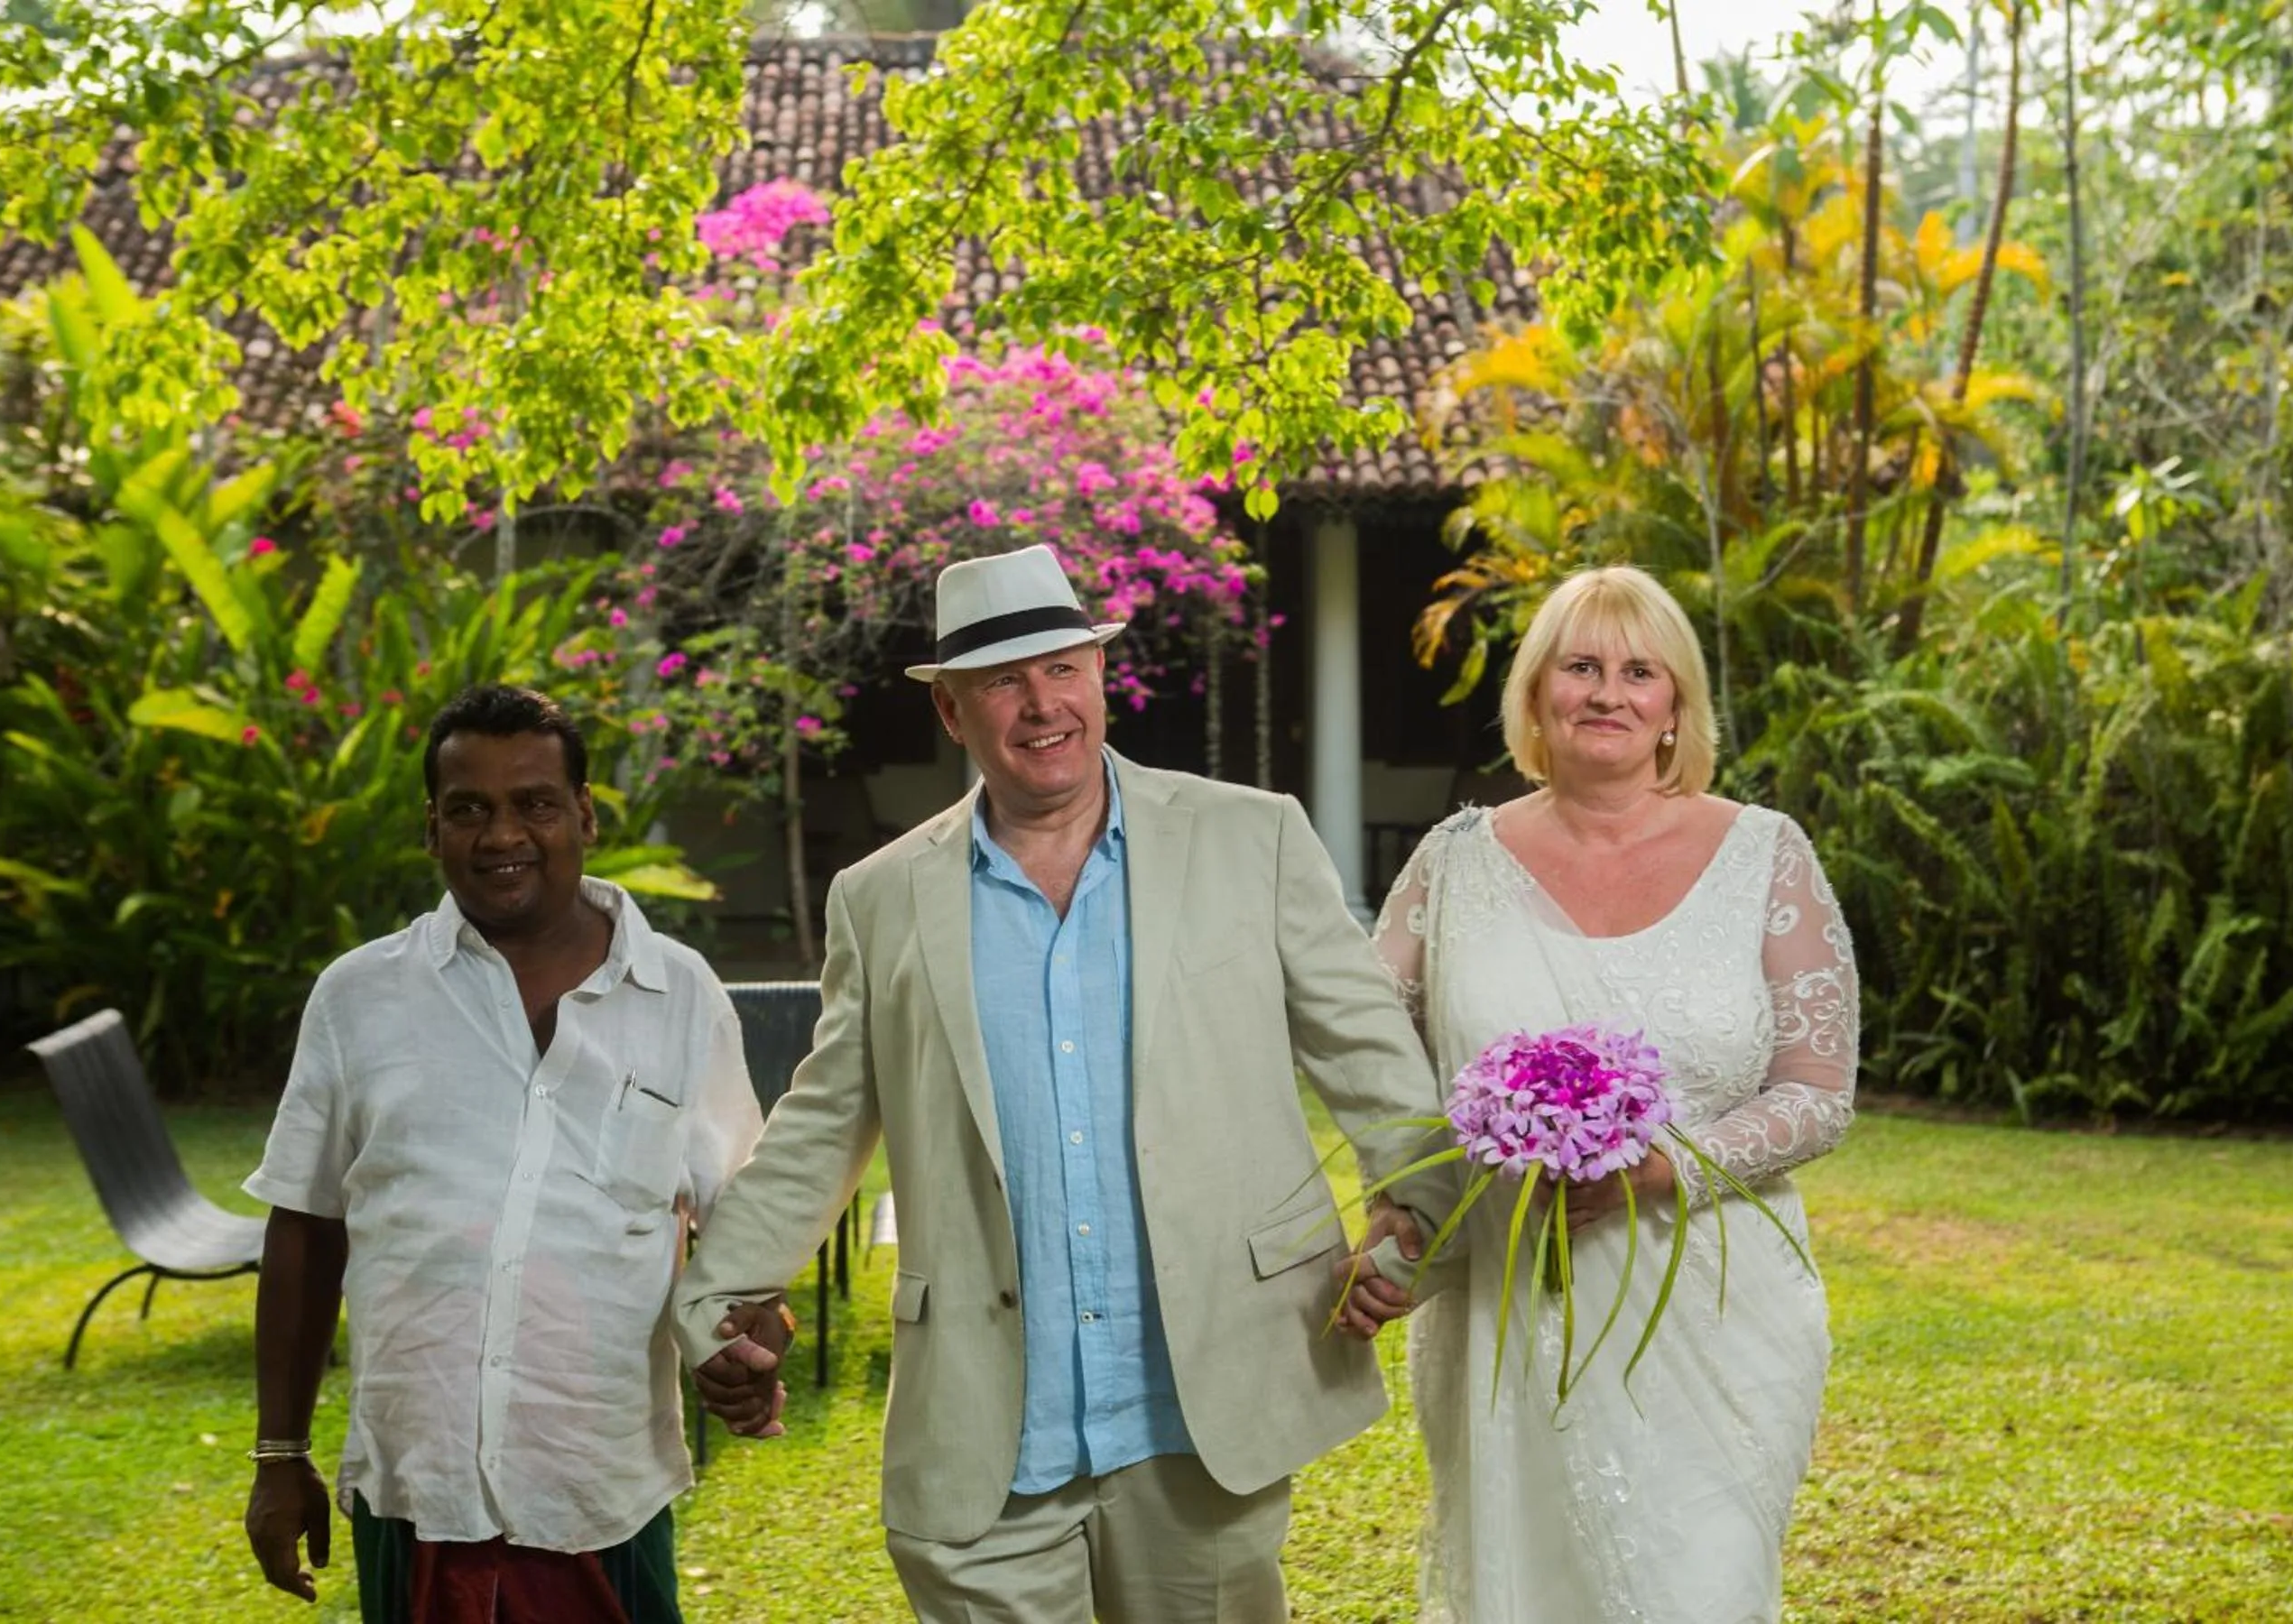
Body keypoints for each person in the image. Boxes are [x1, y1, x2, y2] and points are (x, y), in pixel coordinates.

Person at [673, 543, 1450, 1624]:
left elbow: (1371, 1062)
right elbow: (823, 1123)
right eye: (1000, 681)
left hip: (1203, 1409)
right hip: (985, 1430)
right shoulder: (881, 897)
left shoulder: (1252, 837)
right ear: (952, 714)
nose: (1041, 705)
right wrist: (714, 1300)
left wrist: (1417, 1221)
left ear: (1098, 672)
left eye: (1062, 668)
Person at [1375, 565, 1857, 1622]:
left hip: (1720, 1310)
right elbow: (1373, 1063)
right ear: (1537, 694)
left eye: (1640, 672)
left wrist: (1662, 1167)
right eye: (1580, 666)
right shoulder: (1452, 865)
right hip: (1511, 1304)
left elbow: (1819, 1089)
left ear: (1676, 704)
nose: (1609, 693)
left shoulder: (1765, 857)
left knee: (1703, 1589)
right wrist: (1397, 1212)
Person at [241, 685, 762, 1623]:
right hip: (416, 1485)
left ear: (586, 817)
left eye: (535, 803)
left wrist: (751, 1338)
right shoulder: (357, 997)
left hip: (602, 1488)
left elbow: (741, 1226)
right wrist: (281, 1456)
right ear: (430, 828)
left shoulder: (680, 996)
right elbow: (307, 1230)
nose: (500, 834)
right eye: (469, 809)